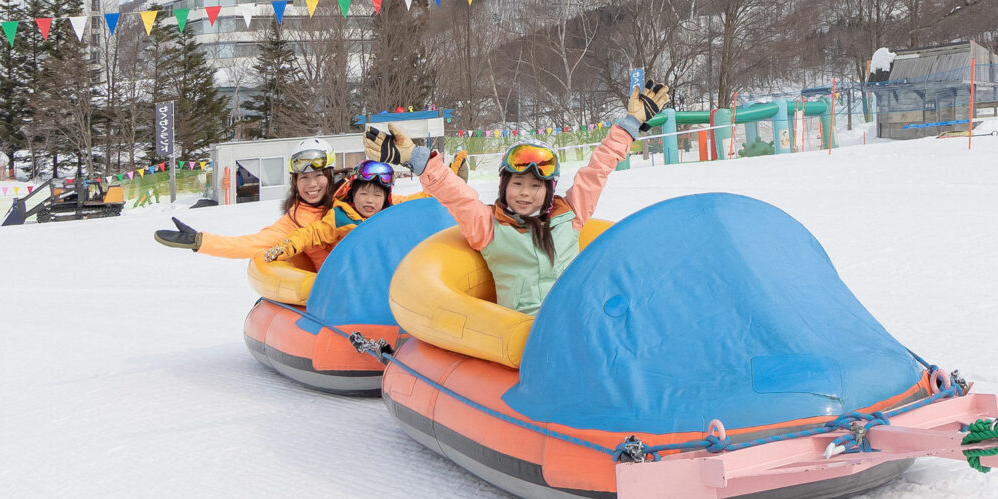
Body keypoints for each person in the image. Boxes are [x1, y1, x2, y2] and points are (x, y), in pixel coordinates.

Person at [372, 81, 667, 315]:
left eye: (536, 186)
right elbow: (457, 196)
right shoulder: (488, 226)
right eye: (517, 183)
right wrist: (419, 160)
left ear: (549, 190)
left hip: (572, 322)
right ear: (504, 186)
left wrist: (631, 124)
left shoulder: (571, 214)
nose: (525, 192)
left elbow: (597, 170)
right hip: (521, 333)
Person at [153, 147, 345, 270]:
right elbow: (249, 244)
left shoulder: (350, 197)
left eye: (318, 175)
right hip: (335, 284)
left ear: (330, 176)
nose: (312, 184)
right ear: (295, 183)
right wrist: (200, 241)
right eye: (304, 178)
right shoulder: (294, 222)